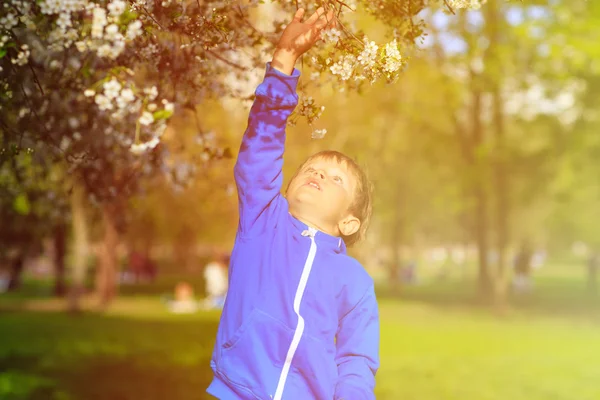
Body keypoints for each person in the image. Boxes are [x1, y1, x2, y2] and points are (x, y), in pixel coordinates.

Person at [206, 7, 379, 400]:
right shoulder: (264, 223)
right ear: (287, 187)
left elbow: (356, 358)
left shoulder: (355, 282)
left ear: (349, 223)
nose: (318, 175)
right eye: (311, 169)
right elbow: (261, 149)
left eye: (335, 179)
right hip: (238, 390)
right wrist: (283, 63)